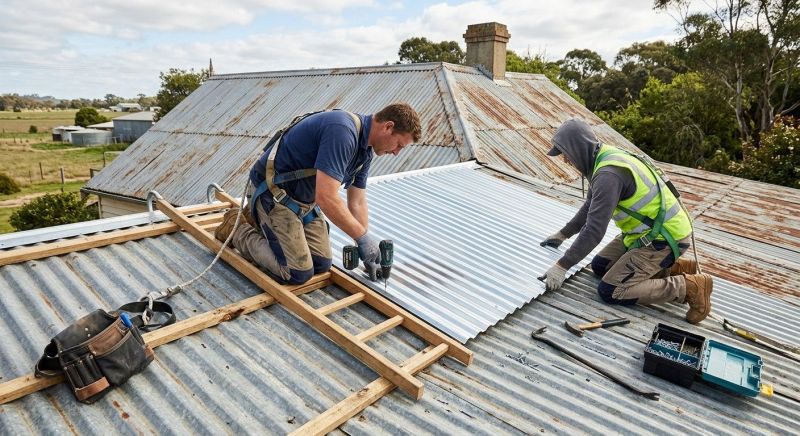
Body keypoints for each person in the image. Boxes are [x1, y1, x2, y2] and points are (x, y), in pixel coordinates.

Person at [215, 103, 421, 285]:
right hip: (273, 195)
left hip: (303, 203)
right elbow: (327, 197)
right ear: (388, 127)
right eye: (399, 146)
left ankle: (263, 223)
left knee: (321, 264)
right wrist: (362, 237)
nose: (396, 152)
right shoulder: (342, 131)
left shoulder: (365, 151)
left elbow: (357, 201)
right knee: (296, 273)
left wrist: (365, 248)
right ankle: (237, 228)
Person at [538, 119, 713, 324]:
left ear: (577, 147)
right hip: (645, 234)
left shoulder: (608, 175)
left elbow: (594, 230)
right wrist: (563, 234)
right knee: (600, 266)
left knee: (611, 290)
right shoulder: (603, 158)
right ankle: (673, 268)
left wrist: (562, 265)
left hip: (663, 238)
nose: (566, 160)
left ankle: (689, 287)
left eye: (565, 153)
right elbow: (589, 208)